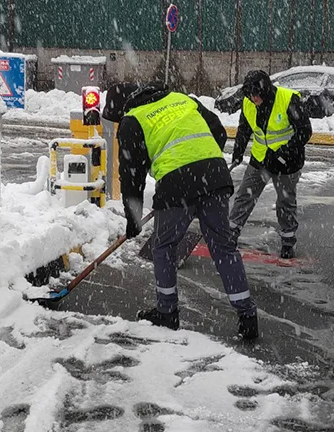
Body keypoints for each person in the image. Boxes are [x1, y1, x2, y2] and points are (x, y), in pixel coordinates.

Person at [102, 82, 258, 339]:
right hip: (215, 177)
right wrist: (202, 164)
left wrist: (133, 218)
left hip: (177, 185)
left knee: (163, 247)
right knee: (224, 248)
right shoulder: (181, 98)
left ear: (120, 108)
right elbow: (218, 131)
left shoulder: (133, 120)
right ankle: (248, 316)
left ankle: (167, 313)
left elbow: (132, 176)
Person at [229, 70, 312, 259]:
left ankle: (288, 241)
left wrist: (283, 154)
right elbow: (244, 129)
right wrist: (237, 153)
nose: (253, 98)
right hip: (260, 159)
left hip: (287, 161)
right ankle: (231, 233)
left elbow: (304, 131)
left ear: (265, 90)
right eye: (249, 94)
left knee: (285, 202)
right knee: (245, 196)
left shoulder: (288, 99)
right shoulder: (248, 102)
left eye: (256, 94)